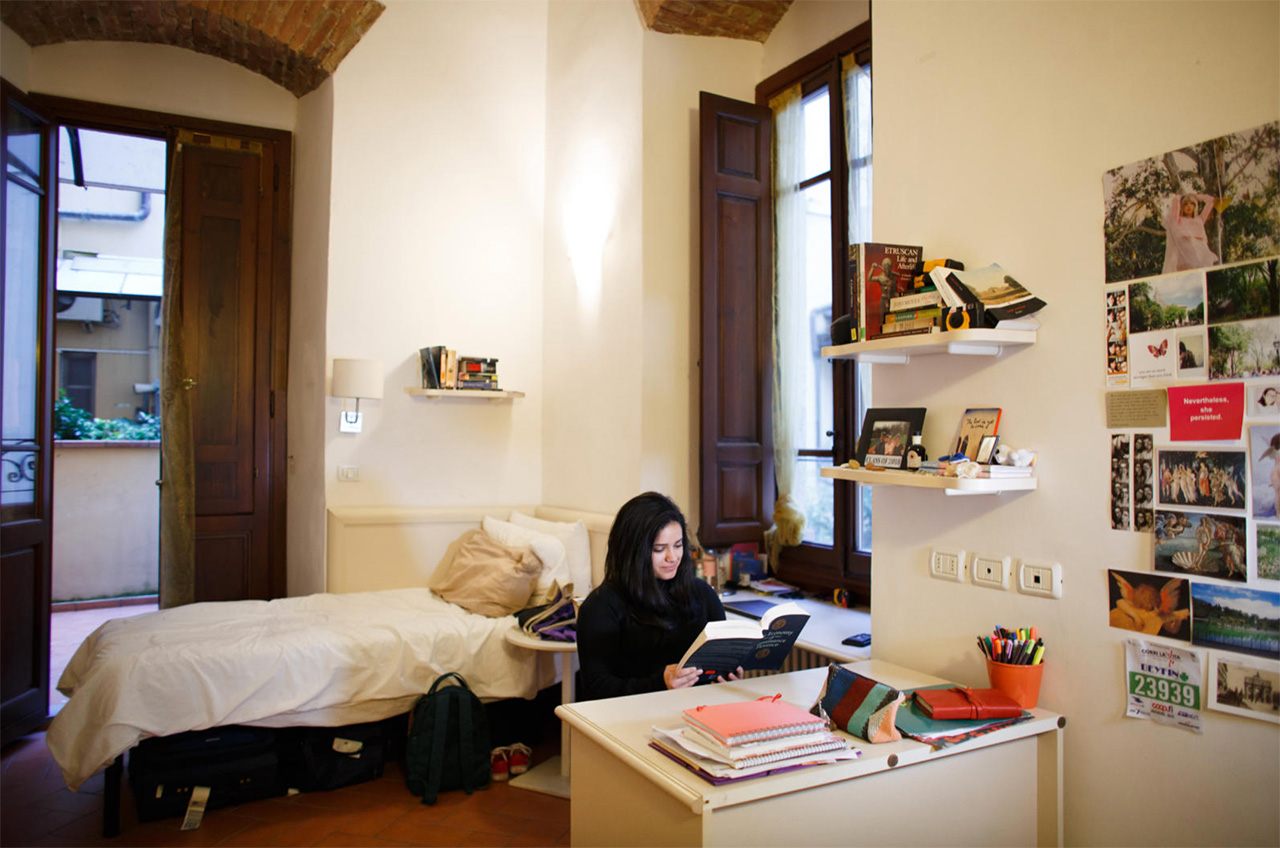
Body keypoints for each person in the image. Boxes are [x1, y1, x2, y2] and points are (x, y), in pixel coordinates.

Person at [576, 492, 741, 702]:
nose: (672, 557)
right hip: (630, 718)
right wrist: (659, 683)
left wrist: (728, 676)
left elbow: (716, 668)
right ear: (633, 552)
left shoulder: (703, 595)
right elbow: (596, 688)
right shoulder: (601, 606)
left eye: (678, 545)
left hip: (698, 713)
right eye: (659, 549)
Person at [1161, 191, 1219, 273]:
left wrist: (1197, 196)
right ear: (1181, 207)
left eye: (1192, 204)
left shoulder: (1199, 219)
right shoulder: (1178, 220)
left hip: (1199, 256)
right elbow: (1175, 204)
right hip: (1185, 258)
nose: (1189, 206)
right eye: (1185, 204)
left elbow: (1211, 201)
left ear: (1195, 206)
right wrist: (1180, 197)